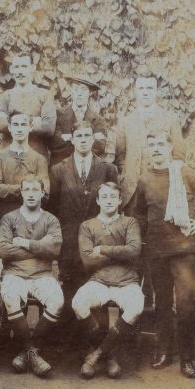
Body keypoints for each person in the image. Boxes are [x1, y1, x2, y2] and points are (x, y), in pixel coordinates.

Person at [126, 133, 195, 378]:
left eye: (161, 144)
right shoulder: (145, 179)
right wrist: (142, 241)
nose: (156, 149)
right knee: (163, 304)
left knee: (186, 304)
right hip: (156, 251)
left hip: (184, 251)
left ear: (169, 147)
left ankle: (187, 360)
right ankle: (164, 352)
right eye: (152, 145)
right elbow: (138, 215)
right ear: (148, 149)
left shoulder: (184, 173)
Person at [74, 182, 144, 379]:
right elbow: (88, 259)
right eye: (104, 197)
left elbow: (134, 251)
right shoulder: (87, 226)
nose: (109, 200)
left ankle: (96, 355)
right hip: (99, 281)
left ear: (120, 200)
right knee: (78, 303)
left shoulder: (130, 223)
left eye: (113, 196)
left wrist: (103, 249)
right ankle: (110, 353)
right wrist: (121, 252)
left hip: (127, 282)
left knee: (136, 307)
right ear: (97, 200)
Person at [0, 176, 63, 377]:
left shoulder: (51, 219)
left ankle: (27, 351)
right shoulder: (9, 218)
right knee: (10, 298)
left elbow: (55, 249)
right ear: (22, 193)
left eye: (36, 190)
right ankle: (33, 352)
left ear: (42, 193)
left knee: (58, 301)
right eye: (27, 190)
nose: (32, 194)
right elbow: (3, 250)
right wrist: (40, 247)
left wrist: (25, 243)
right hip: (14, 273)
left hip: (42, 274)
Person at [48, 121, 118, 300]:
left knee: (97, 293)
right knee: (70, 296)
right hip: (69, 243)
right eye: (79, 136)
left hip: (98, 243)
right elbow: (53, 210)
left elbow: (113, 209)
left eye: (87, 135)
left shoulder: (108, 169)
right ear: (72, 139)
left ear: (93, 138)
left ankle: (98, 329)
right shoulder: (58, 170)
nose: (83, 140)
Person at [0, 111, 49, 279]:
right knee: (3, 269)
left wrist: (13, 190)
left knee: (29, 265)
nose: (20, 128)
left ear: (30, 128)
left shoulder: (39, 159)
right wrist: (28, 190)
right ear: (9, 128)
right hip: (4, 215)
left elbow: (45, 192)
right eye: (15, 124)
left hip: (32, 219)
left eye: (24, 124)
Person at [113, 75, 186, 207]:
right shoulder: (126, 122)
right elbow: (120, 157)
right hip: (132, 191)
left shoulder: (170, 118)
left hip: (163, 187)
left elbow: (179, 155)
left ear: (157, 91)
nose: (145, 92)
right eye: (141, 88)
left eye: (150, 88)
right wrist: (129, 175)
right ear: (135, 91)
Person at [0, 52, 56, 159]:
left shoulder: (45, 95)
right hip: (8, 156)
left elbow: (49, 127)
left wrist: (9, 120)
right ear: (12, 69)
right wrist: (33, 121)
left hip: (36, 156)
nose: (20, 71)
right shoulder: (6, 96)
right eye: (17, 67)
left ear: (32, 68)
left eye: (24, 67)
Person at [50, 74, 107, 166]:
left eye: (84, 89)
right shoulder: (58, 115)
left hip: (88, 168)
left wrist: (69, 139)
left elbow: (100, 147)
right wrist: (87, 142)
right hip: (62, 169)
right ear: (71, 91)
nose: (79, 93)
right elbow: (56, 145)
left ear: (90, 92)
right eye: (76, 89)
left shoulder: (98, 119)